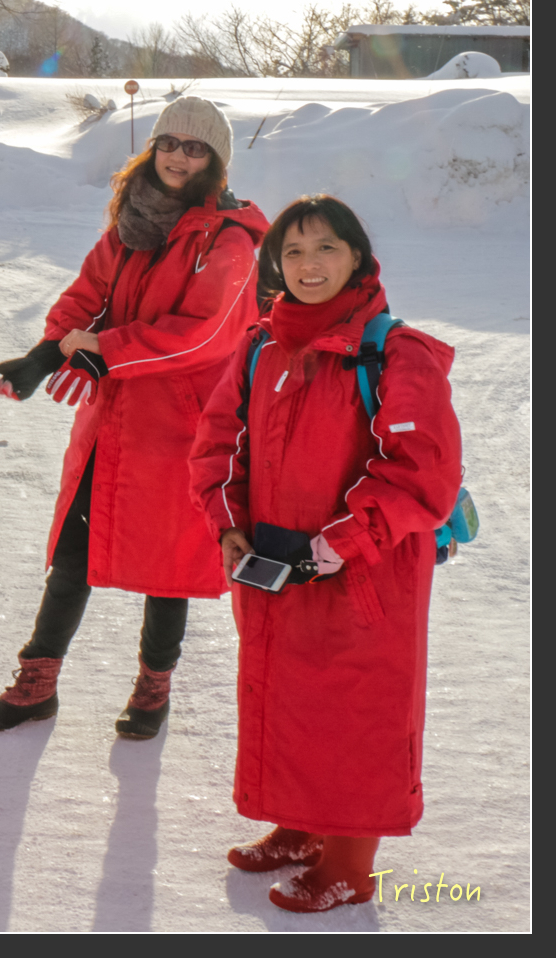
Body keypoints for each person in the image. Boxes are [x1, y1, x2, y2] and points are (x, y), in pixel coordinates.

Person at [189, 196, 461, 913]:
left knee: (356, 712)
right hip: (278, 572)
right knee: (290, 698)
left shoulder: (395, 352)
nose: (309, 265)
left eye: (326, 249)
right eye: (294, 252)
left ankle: (350, 863)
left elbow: (421, 471)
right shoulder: (259, 347)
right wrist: (227, 527)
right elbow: (216, 446)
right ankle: (302, 824)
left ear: (359, 258)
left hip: (364, 577)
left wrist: (340, 542)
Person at [0, 96, 268, 738]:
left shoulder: (230, 240)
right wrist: (46, 354)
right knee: (74, 555)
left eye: (195, 148)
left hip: (180, 429)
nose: (178, 157)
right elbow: (87, 294)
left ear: (215, 162)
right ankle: (37, 682)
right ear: (151, 149)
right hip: (113, 420)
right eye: (169, 143)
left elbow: (205, 335)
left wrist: (106, 351)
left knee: (169, 568)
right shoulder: (133, 223)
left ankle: (153, 688)